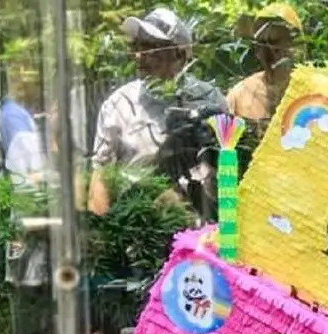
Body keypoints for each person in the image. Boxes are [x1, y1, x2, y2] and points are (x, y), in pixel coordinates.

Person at [87, 7, 227, 217]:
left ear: (179, 54)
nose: (139, 56)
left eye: (151, 48)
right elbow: (101, 174)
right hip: (140, 225)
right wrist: (102, 231)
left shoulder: (208, 99)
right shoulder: (120, 104)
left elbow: (227, 168)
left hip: (199, 232)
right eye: (137, 46)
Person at [226, 3, 303, 136]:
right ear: (256, 50)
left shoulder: (318, 90)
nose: (269, 51)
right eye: (262, 44)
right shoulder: (240, 94)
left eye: (275, 42)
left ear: (294, 44)